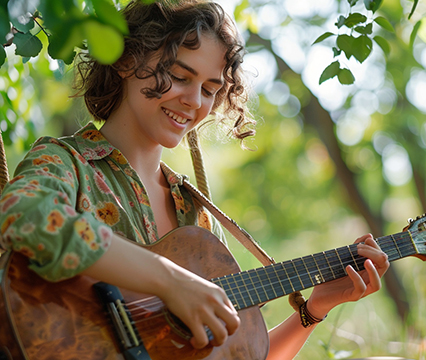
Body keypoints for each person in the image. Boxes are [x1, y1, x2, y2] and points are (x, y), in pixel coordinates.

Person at [0, 0, 390, 359]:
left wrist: (315, 309)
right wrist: (169, 281)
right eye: (179, 76)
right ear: (125, 61)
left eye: (209, 89)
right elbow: (24, 213)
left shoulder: (195, 216)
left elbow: (232, 354)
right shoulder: (65, 162)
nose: (194, 102)